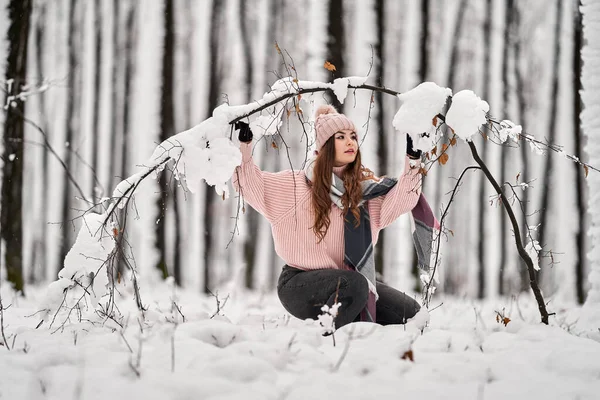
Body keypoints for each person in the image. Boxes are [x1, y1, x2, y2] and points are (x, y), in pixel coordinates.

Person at [233, 104, 426, 329]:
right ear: (325, 145)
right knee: (354, 285)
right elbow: (250, 186)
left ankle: (359, 327)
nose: (350, 142)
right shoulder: (295, 186)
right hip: (299, 284)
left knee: (412, 314)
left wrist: (413, 160)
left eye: (353, 136)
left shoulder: (364, 194)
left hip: (351, 283)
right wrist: (245, 148)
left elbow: (403, 198)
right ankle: (330, 341)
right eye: (341, 137)